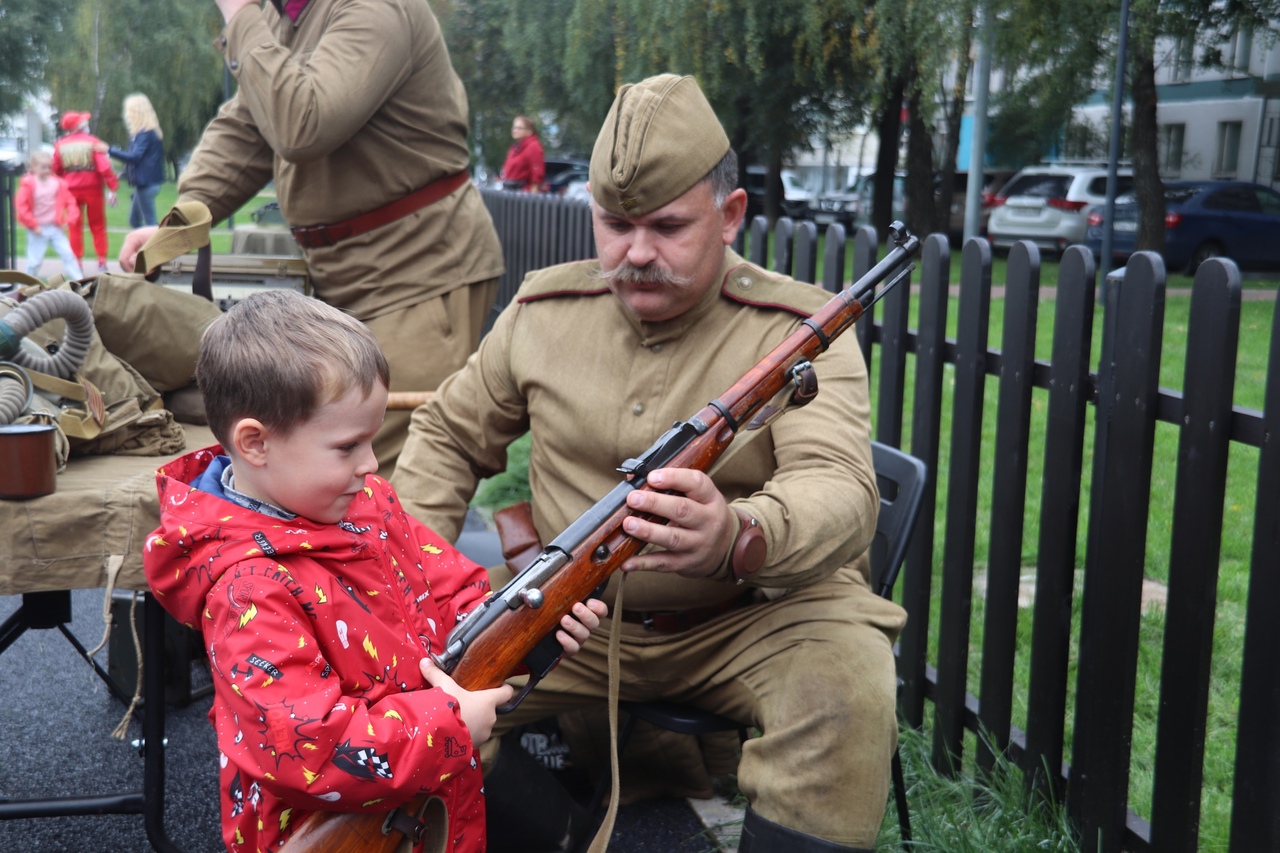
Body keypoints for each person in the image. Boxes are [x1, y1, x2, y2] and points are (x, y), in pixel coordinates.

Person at [392, 74, 907, 852]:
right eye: (615, 224)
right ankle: (554, 833)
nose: (635, 253)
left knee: (845, 692)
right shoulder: (542, 315)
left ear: (730, 215)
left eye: (668, 226)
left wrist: (739, 532)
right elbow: (447, 436)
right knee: (405, 687)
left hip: (752, 614)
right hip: (570, 619)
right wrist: (412, 582)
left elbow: (839, 484)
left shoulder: (799, 331)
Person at [143, 289, 607, 853]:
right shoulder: (248, 590)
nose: (371, 463)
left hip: (424, 800)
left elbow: (454, 592)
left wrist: (533, 625)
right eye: (347, 446)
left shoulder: (368, 505)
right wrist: (446, 725)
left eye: (371, 438)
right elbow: (308, 746)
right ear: (255, 443)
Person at [118, 0, 504, 477]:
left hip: (416, 273)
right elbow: (248, 128)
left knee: (378, 482)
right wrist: (175, 228)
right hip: (348, 278)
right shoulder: (289, 15)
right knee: (328, 474)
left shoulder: (373, 8)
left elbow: (303, 122)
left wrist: (240, 17)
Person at [51, 110, 117, 273]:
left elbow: (55, 169)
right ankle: (101, 260)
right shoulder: (92, 142)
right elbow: (104, 166)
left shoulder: (60, 144)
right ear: (79, 126)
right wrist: (112, 187)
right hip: (93, 189)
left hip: (70, 191)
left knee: (74, 226)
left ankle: (77, 263)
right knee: (98, 226)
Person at [98, 93, 166, 228]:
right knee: (135, 221)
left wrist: (108, 150)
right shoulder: (144, 133)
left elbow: (135, 157)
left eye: (129, 110)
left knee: (150, 223)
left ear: (136, 112)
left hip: (147, 185)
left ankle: (158, 248)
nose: (127, 114)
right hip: (146, 184)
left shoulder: (145, 133)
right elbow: (143, 161)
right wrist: (124, 173)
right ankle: (145, 247)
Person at [14, 150, 84, 279]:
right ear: (33, 167)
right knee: (34, 261)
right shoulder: (28, 184)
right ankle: (24, 288)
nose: (47, 170)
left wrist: (68, 220)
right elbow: (22, 206)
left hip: (55, 227)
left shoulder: (57, 183)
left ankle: (80, 283)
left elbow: (70, 203)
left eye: (49, 167)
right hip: (37, 229)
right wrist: (33, 225)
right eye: (43, 167)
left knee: (68, 255)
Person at [499, 115, 545, 192]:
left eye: (519, 128)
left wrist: (531, 199)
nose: (515, 130)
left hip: (522, 195)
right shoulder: (515, 148)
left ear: (529, 131)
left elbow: (536, 177)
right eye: (514, 127)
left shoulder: (534, 147)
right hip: (509, 190)